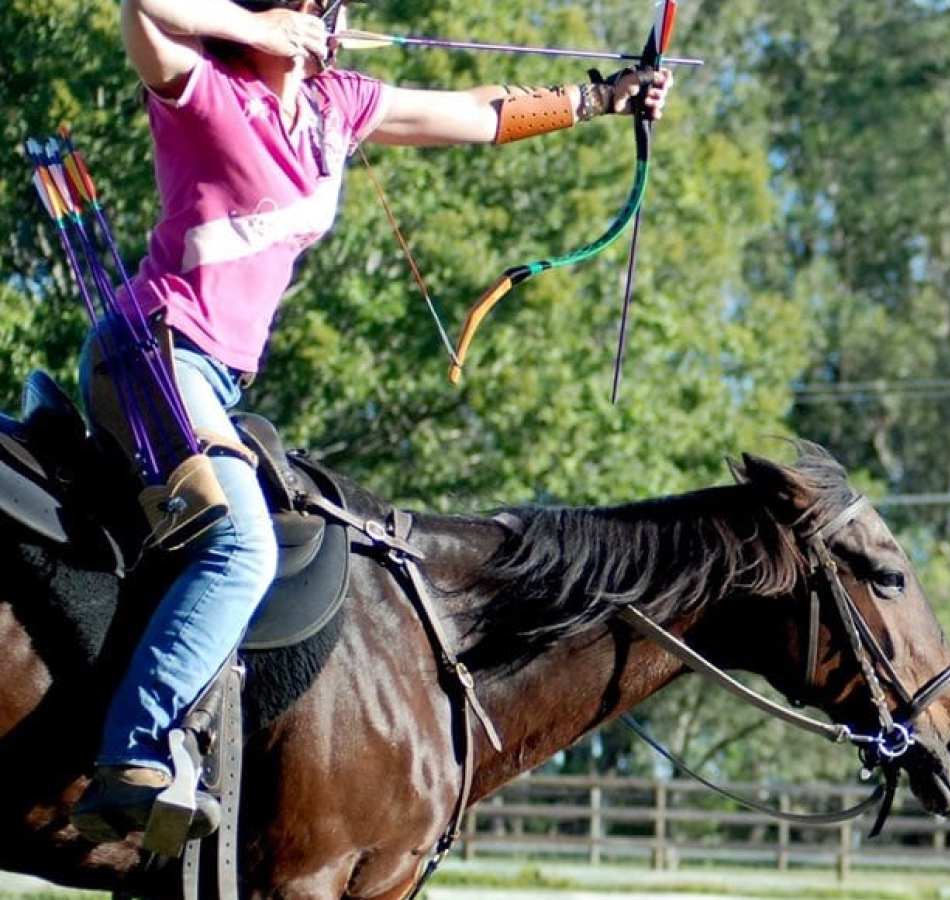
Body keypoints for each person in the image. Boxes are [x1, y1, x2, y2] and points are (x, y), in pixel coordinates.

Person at [70, 0, 673, 843]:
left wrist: (603, 101)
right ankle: (135, 754)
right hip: (154, 354)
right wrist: (260, 33)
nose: (334, 18)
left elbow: (476, 115)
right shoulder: (197, 88)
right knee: (241, 548)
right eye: (317, 6)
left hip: (214, 379)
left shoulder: (334, 109)